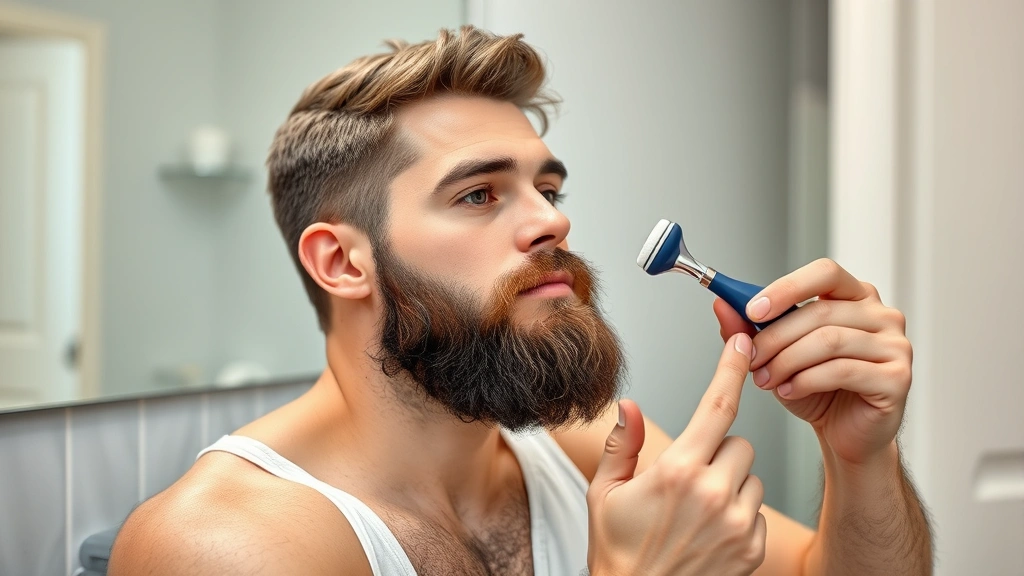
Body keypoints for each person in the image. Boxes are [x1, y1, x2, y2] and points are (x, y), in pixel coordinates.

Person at [110, 26, 932, 575]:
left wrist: (860, 458)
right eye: (478, 195)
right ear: (341, 261)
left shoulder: (581, 449)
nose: (552, 219)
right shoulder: (228, 544)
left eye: (544, 185)